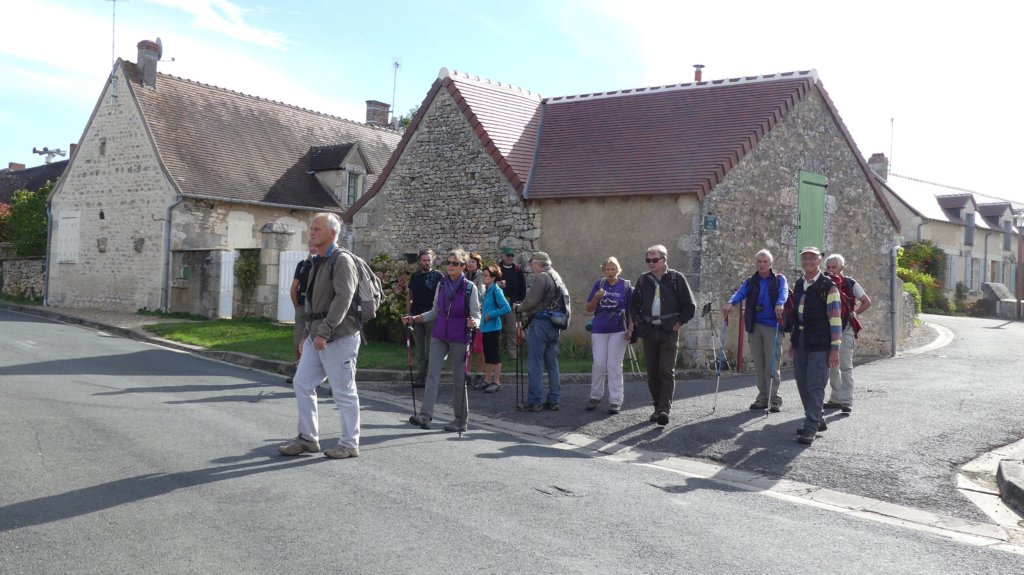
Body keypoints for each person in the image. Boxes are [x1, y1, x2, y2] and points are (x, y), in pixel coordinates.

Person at [278, 212, 362, 460]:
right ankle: (308, 438)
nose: (311, 232)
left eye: (317, 229)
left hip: (339, 337)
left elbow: (343, 299)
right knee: (302, 382)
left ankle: (349, 444)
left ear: (332, 233)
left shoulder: (342, 260)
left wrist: (324, 332)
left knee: (344, 392)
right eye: (311, 229)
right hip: (316, 335)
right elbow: (312, 302)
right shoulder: (318, 260)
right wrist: (307, 334)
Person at [402, 248, 481, 433]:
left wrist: (474, 323)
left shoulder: (470, 288)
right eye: (449, 263)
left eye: (455, 263)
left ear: (463, 267)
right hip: (439, 335)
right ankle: (425, 415)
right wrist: (415, 318)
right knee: (432, 373)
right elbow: (435, 311)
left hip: (459, 336)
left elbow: (476, 315)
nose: (450, 266)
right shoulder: (441, 285)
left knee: (459, 378)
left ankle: (460, 420)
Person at [628, 245, 696, 426]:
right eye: (648, 260)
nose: (651, 263)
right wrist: (639, 322)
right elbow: (633, 305)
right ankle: (657, 406)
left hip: (669, 332)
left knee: (665, 370)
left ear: (664, 260)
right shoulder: (643, 280)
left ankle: (664, 409)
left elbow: (690, 305)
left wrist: (679, 322)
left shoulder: (676, 278)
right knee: (652, 372)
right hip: (649, 331)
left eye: (654, 260)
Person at [786, 247, 842, 445]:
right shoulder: (799, 284)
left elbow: (835, 319)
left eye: (812, 258)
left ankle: (810, 427)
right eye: (805, 258)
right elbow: (796, 316)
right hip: (801, 340)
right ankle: (817, 418)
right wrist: (793, 342)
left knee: (815, 384)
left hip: (820, 342)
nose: (808, 261)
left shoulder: (829, 287)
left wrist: (835, 348)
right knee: (802, 381)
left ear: (819, 261)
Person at [722, 249, 789, 412]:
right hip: (755, 326)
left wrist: (780, 303)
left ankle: (774, 399)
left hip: (773, 326)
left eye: (765, 261)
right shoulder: (750, 281)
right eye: (759, 261)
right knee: (759, 364)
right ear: (755, 263)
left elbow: (784, 292)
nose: (762, 264)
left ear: (771, 264)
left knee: (771, 364)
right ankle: (762, 398)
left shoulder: (779, 279)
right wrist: (731, 302)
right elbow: (740, 293)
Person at [514, 251, 566, 412]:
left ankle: (535, 401)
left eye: (532, 264)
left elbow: (531, 301)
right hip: (555, 323)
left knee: (535, 363)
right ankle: (554, 399)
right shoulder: (555, 275)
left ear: (537, 264)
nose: (531, 268)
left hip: (541, 323)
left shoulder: (542, 277)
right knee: (552, 363)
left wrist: (519, 307)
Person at [824, 253, 872, 414]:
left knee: (845, 366)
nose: (831, 270)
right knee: (832, 366)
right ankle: (835, 399)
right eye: (828, 267)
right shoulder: (824, 282)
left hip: (846, 329)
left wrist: (855, 313)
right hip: (828, 329)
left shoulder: (850, 283)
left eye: (834, 267)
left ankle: (846, 401)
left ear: (842, 268)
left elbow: (866, 301)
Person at [585, 257, 633, 414]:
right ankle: (595, 396)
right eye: (607, 269)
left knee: (614, 365)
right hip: (599, 328)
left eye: (613, 269)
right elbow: (589, 308)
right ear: (603, 271)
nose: (610, 272)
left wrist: (630, 328)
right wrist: (596, 297)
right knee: (598, 363)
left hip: (618, 329)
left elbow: (632, 310)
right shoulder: (599, 284)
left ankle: (616, 400)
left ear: (618, 270)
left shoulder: (625, 286)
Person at [406, 248, 443, 388]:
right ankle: (421, 374)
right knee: (420, 349)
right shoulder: (415, 276)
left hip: (432, 315)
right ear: (419, 261)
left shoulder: (438, 276)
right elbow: (410, 296)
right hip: (416, 315)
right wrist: (408, 314)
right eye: (424, 260)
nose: (427, 262)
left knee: (430, 348)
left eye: (429, 260)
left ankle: (429, 375)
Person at [478, 263, 511, 393]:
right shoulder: (487, 290)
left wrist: (490, 314)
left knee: (494, 355)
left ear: (493, 277)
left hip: (493, 328)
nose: (483, 277)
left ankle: (496, 382)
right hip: (486, 328)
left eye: (486, 275)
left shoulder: (496, 290)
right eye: (483, 275)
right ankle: (487, 380)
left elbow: (506, 308)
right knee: (488, 354)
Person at [285, 245, 315, 385]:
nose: (313, 248)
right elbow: (294, 287)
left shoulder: (325, 264)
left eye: (315, 246)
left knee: (315, 340)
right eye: (311, 246)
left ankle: (314, 374)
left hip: (318, 307)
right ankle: (299, 371)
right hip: (303, 306)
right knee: (298, 339)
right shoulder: (302, 265)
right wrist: (297, 306)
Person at [498, 247, 526, 359]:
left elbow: (522, 287)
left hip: (512, 303)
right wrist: (498, 285)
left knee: (512, 331)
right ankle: (496, 354)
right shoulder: (497, 269)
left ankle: (512, 355)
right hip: (499, 303)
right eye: (508, 255)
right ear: (502, 256)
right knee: (497, 330)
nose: (510, 257)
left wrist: (520, 302)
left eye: (511, 255)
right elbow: (490, 284)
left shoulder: (517, 270)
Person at [464, 252, 486, 388]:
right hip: (465, 315)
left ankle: (479, 374)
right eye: (469, 261)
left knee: (479, 347)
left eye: (473, 262)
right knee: (467, 346)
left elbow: (480, 295)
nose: (470, 264)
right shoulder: (464, 276)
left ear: (478, 264)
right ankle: (467, 373)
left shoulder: (481, 277)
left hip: (478, 315)